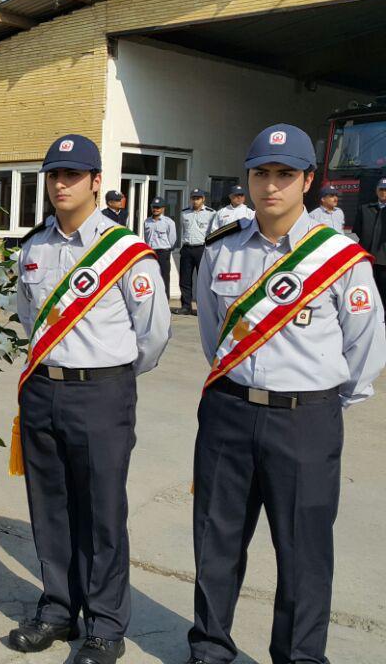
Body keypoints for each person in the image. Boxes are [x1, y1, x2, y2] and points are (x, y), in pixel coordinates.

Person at [186, 124, 385, 664]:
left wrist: (319, 404)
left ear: (307, 181)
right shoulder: (220, 253)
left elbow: (365, 348)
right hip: (229, 411)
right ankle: (209, 648)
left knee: (304, 550)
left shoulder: (340, 258)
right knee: (216, 539)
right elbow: (212, 335)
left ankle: (300, 656)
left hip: (306, 420)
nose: (271, 185)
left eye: (285, 174)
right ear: (248, 179)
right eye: (261, 174)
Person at [11, 134, 171, 664]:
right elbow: (30, 320)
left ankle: (105, 625)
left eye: (72, 175)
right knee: (50, 508)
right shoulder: (33, 248)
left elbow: (152, 335)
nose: (61, 184)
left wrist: (111, 375)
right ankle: (58, 609)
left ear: (96, 182)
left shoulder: (126, 252)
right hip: (43, 389)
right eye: (54, 174)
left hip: (101, 392)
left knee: (102, 512)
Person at [178, 189, 215, 315]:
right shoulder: (184, 213)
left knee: (203, 280)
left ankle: (203, 308)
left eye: (198, 198)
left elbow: (213, 233)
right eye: (193, 198)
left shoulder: (211, 213)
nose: (195, 200)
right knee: (185, 279)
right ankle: (186, 306)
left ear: (203, 199)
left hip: (202, 249)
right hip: (187, 248)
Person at [351, 179, 386, 306]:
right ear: (376, 191)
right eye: (381, 189)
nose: (383, 192)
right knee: (365, 291)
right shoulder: (365, 209)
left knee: (383, 293)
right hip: (366, 258)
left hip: (384, 262)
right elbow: (358, 230)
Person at [143, 198, 176, 298]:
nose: (155, 209)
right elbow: (146, 237)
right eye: (154, 207)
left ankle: (165, 300)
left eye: (158, 208)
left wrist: (167, 250)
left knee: (164, 277)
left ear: (163, 209)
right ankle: (154, 300)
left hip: (163, 252)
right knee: (151, 276)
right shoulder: (147, 221)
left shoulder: (169, 222)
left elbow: (172, 239)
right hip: (151, 252)